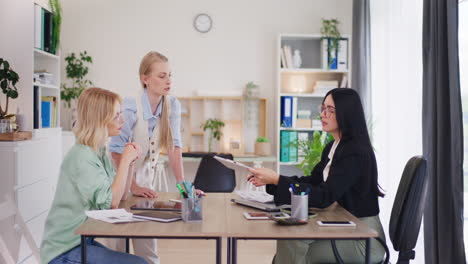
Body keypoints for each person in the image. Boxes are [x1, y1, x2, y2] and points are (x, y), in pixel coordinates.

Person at [247, 88, 386, 264]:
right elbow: (313, 182)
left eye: (330, 110)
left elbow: (324, 197)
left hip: (364, 238)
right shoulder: (333, 147)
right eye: (323, 108)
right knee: (290, 240)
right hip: (345, 226)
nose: (322, 114)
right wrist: (273, 181)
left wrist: (277, 180)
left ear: (346, 113)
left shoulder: (355, 152)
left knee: (295, 248)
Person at [40, 87, 147, 264]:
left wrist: (129, 164)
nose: (122, 120)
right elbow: (111, 201)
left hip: (81, 242)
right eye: (116, 115)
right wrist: (124, 163)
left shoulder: (98, 152)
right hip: (62, 252)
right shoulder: (81, 156)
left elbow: (120, 196)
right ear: (100, 120)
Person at [106, 51, 185, 264]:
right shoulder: (131, 106)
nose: (168, 81)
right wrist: (132, 185)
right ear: (145, 78)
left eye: (170, 75)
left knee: (148, 250)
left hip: (145, 182)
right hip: (117, 180)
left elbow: (174, 147)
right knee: (117, 248)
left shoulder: (172, 106)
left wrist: (182, 186)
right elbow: (115, 151)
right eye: (161, 76)